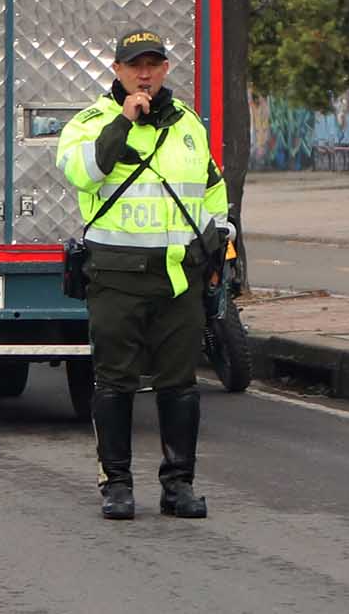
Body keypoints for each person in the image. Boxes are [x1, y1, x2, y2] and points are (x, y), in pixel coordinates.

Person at [56, 29, 231, 521]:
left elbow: (212, 189)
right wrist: (124, 123)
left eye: (153, 64)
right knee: (115, 384)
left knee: (180, 386)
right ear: (117, 70)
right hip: (116, 277)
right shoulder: (92, 122)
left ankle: (178, 486)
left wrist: (221, 237)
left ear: (166, 70)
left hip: (179, 279)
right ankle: (116, 485)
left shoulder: (189, 125)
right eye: (135, 65)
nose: (145, 74)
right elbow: (83, 172)